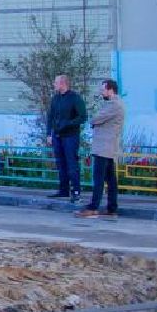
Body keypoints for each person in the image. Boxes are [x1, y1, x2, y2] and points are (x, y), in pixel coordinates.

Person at [78, 79, 126, 219]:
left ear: (111, 89)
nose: (101, 92)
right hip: (108, 148)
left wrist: (94, 121)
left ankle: (93, 207)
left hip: (104, 147)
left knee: (99, 178)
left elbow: (96, 119)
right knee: (111, 179)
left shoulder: (114, 104)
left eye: (103, 90)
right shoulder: (116, 104)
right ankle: (112, 208)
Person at [46, 75, 88, 203]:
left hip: (70, 136)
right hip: (57, 136)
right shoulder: (56, 99)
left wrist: (68, 123)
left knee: (71, 163)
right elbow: (50, 116)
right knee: (60, 163)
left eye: (56, 82)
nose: (54, 84)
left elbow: (83, 117)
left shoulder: (75, 98)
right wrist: (49, 134)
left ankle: (76, 191)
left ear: (63, 83)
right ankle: (63, 189)